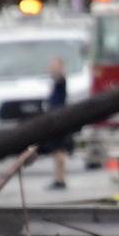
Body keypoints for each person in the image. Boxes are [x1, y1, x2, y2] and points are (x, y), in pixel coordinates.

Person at [43, 56, 70, 189]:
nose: (51, 68)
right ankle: (58, 178)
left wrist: (55, 68)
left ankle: (60, 179)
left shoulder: (61, 80)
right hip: (55, 119)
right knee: (56, 152)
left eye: (55, 65)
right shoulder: (55, 82)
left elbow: (58, 75)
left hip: (59, 120)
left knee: (59, 151)